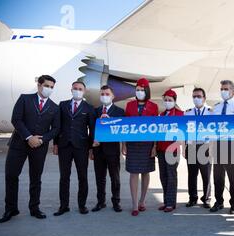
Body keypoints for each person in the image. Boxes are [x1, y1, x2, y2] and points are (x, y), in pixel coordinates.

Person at [0, 75, 60, 223]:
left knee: (36, 178)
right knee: (11, 175)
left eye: (52, 87)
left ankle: (34, 208)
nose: (49, 89)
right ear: (39, 85)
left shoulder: (54, 107)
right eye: (47, 86)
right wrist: (28, 137)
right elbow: (16, 119)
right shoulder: (25, 99)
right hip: (18, 145)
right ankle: (10, 209)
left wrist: (42, 139)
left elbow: (56, 129)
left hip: (39, 147)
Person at [53, 81, 96, 216]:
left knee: (82, 177)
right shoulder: (63, 105)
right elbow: (57, 126)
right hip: (64, 146)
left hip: (81, 147)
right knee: (64, 177)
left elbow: (92, 130)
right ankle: (63, 206)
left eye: (80, 89)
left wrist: (91, 149)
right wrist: (55, 144)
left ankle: (82, 205)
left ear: (84, 91)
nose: (77, 90)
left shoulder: (89, 108)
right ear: (71, 90)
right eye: (75, 88)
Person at [210, 80, 234, 215]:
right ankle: (219, 201)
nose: (223, 91)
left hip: (232, 144)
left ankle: (233, 203)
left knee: (233, 177)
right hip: (218, 144)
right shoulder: (217, 107)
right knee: (218, 177)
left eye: (226, 89)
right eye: (222, 89)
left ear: (232, 91)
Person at [122, 78, 158, 216]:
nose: (140, 92)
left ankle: (143, 201)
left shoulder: (153, 106)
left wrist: (154, 146)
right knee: (133, 172)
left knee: (145, 172)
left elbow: (156, 128)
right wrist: (124, 144)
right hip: (132, 144)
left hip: (147, 144)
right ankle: (135, 204)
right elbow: (124, 126)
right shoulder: (129, 105)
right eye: (137, 90)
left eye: (142, 90)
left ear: (147, 91)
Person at [91, 85, 124, 213]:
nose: (104, 96)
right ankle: (101, 202)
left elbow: (122, 131)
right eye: (102, 94)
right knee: (100, 177)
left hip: (112, 150)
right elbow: (92, 130)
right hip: (97, 150)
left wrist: (111, 123)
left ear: (113, 96)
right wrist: (91, 148)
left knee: (114, 177)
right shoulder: (95, 111)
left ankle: (116, 202)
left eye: (107, 94)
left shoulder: (119, 112)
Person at [184, 87, 213, 209]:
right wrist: (184, 147)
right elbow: (185, 131)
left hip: (205, 146)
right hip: (191, 146)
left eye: (199, 96)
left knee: (206, 175)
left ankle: (206, 198)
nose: (196, 99)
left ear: (204, 98)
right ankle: (193, 198)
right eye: (194, 96)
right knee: (192, 174)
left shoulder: (210, 112)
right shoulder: (188, 113)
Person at [156, 89, 184, 213]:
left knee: (171, 175)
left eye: (170, 100)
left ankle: (171, 203)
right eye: (166, 100)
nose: (167, 102)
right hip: (161, 149)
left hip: (172, 149)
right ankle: (166, 200)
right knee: (163, 176)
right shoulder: (161, 115)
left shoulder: (180, 114)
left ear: (174, 101)